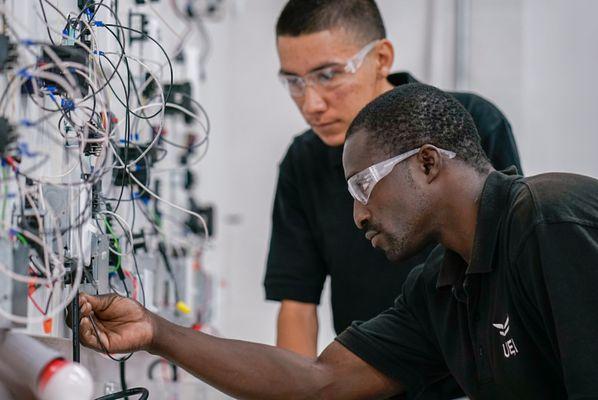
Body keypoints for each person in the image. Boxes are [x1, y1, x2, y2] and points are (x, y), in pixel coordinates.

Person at [73, 83, 598, 399]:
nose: (358, 214)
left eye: (363, 186)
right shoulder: (442, 290)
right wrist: (157, 332)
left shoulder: (547, 223)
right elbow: (320, 382)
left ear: (429, 162)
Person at [266, 0, 521, 370]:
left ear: (382, 58)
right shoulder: (303, 162)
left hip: (473, 375)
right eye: (294, 81)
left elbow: (511, 269)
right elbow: (296, 305)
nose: (312, 103)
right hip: (371, 376)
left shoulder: (470, 124)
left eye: (327, 75)